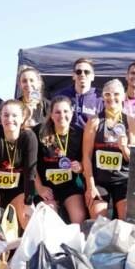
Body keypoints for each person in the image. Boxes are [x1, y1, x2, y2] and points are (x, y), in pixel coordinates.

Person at [82, 79, 135, 220]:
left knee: (126, 220)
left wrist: (124, 148)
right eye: (107, 94)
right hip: (100, 180)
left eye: (116, 94)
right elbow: (86, 156)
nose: (111, 98)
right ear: (102, 97)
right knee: (98, 221)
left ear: (124, 96)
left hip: (123, 180)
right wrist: (90, 186)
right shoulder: (94, 121)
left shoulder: (131, 121)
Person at [0, 101, 39, 229]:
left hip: (17, 189)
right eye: (6, 115)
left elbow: (30, 173)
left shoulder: (29, 137)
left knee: (28, 218)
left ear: (23, 118)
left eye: (14, 116)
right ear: (0, 117)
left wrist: (29, 202)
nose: (10, 119)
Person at [34, 96, 87, 224]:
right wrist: (40, 187)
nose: (62, 115)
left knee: (78, 217)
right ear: (51, 115)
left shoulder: (79, 133)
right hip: (46, 187)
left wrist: (80, 167)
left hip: (69, 187)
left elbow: (86, 162)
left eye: (65, 111)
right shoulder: (38, 132)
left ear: (72, 113)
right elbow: (30, 164)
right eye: (57, 112)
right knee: (49, 218)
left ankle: (73, 244)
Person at [57, 58, 103, 130]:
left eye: (86, 72)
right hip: (67, 139)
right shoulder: (62, 96)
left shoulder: (100, 98)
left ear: (92, 76)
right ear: (73, 75)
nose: (82, 75)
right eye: (78, 72)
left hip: (90, 138)